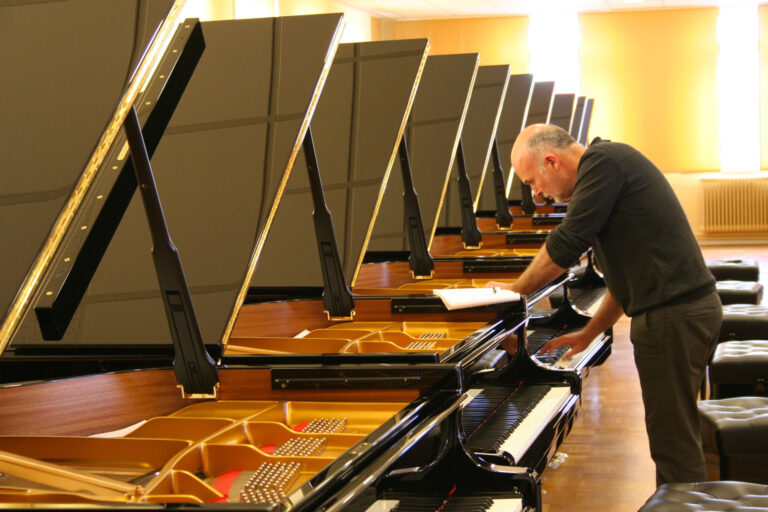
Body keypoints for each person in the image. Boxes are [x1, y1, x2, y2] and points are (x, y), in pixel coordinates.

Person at [487, 124, 722, 486]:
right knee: (675, 437)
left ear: (551, 161)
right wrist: (589, 333)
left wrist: (512, 292)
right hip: (683, 313)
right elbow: (625, 282)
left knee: (674, 446)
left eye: (533, 181)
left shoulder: (603, 165)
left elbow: (566, 244)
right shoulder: (608, 164)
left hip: (672, 317)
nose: (537, 194)